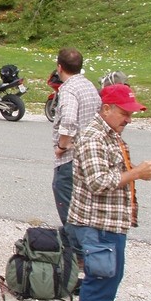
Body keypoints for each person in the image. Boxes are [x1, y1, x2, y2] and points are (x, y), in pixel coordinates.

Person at [66, 84, 151, 301]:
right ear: (106, 109)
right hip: (96, 223)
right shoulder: (95, 137)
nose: (129, 119)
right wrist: (136, 173)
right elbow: (98, 183)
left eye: (131, 113)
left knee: (110, 278)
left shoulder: (110, 133)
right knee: (100, 281)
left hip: (110, 222)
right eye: (125, 113)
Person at [52, 48, 101, 236]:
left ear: (59, 67)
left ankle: (76, 249)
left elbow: (69, 120)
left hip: (70, 157)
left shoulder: (69, 89)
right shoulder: (88, 86)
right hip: (88, 154)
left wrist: (61, 146)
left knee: (67, 201)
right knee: (83, 203)